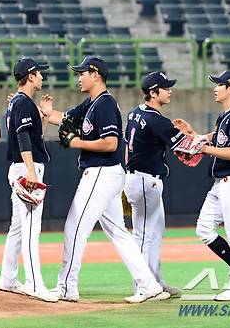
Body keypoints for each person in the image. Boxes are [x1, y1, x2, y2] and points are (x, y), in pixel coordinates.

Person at [39, 56, 170, 304]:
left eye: (82, 73)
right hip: (104, 173)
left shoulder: (105, 104)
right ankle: (148, 285)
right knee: (119, 233)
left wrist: (75, 142)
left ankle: (67, 287)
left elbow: (111, 144)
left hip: (101, 172)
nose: (79, 77)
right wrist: (43, 112)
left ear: (95, 74)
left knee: (75, 228)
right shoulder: (90, 103)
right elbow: (64, 118)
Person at [185, 70, 230, 301]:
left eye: (219, 84)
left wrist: (203, 148)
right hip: (220, 183)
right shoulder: (224, 116)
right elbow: (217, 137)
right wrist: (198, 136)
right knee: (204, 228)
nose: (215, 88)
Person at [124, 71, 190, 298]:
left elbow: (126, 149)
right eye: (165, 87)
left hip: (138, 178)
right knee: (142, 236)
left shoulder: (134, 113)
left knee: (156, 231)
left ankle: (155, 281)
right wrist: (194, 134)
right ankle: (142, 287)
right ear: (153, 93)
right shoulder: (156, 120)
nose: (169, 90)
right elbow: (188, 148)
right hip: (144, 180)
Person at [0, 57, 56, 302]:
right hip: (26, 169)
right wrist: (31, 172)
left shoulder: (20, 103)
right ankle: (34, 283)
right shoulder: (22, 103)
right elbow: (22, 139)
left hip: (20, 167)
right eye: (39, 73)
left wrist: (42, 116)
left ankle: (8, 279)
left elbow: (33, 136)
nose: (42, 76)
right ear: (30, 76)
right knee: (32, 230)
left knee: (18, 228)